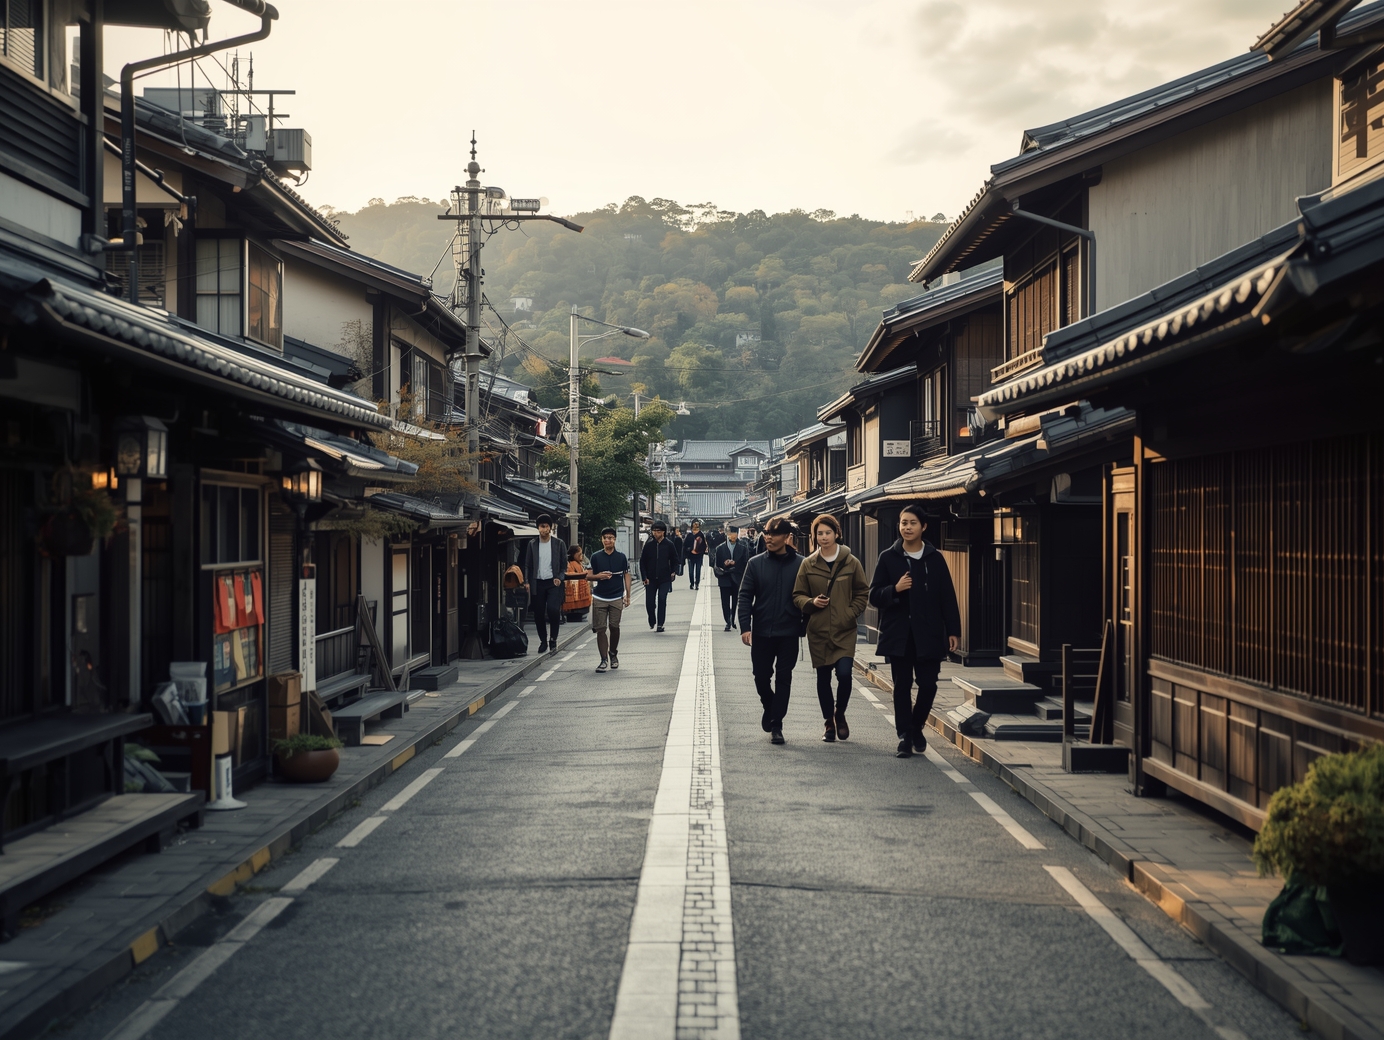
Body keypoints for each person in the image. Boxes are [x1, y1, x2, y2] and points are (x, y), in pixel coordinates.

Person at [867, 503, 961, 758]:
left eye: (912, 523)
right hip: (900, 634)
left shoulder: (935, 558)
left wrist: (953, 629)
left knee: (928, 685)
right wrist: (894, 590)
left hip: (929, 633)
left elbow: (947, 597)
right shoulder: (889, 557)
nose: (907, 527)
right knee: (901, 686)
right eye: (903, 523)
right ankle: (905, 737)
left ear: (923, 527)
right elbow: (874, 595)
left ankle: (916, 726)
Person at [793, 513, 869, 743]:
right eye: (819, 533)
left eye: (828, 533)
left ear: (837, 534)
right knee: (823, 678)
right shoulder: (808, 564)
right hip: (818, 631)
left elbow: (862, 593)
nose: (824, 537)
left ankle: (840, 713)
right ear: (814, 536)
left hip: (844, 629)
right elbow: (797, 595)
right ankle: (829, 723)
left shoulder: (851, 562)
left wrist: (850, 613)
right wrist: (811, 603)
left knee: (845, 675)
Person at [737, 515, 803, 746]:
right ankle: (769, 705)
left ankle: (777, 724)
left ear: (787, 538)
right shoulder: (755, 563)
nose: (768, 537)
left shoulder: (801, 565)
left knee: (784, 678)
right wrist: (746, 627)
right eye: (766, 533)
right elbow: (745, 596)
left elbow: (807, 597)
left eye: (774, 534)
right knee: (761, 677)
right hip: (762, 631)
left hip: (789, 632)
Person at [587, 527, 631, 672]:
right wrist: (599, 576)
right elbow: (588, 575)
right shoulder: (595, 556)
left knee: (614, 626)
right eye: (605, 537)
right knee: (600, 629)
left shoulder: (621, 557)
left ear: (615, 540)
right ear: (602, 540)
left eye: (611, 538)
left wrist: (628, 595)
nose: (608, 540)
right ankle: (603, 659)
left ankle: (613, 653)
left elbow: (626, 575)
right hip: (599, 597)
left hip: (617, 596)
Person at [522, 514, 568, 656]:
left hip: (553, 582)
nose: (544, 529)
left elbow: (564, 566)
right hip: (537, 582)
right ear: (538, 528)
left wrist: (559, 578)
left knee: (554, 610)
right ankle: (543, 641)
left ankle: (553, 639)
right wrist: (526, 581)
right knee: (538, 613)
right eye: (542, 526)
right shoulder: (532, 544)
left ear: (551, 528)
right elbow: (527, 564)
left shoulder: (558, 543)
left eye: (547, 526)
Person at [640, 521, 680, 631]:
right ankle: (652, 619)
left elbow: (675, 560)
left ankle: (660, 624)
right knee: (649, 603)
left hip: (665, 578)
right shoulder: (648, 545)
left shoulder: (669, 544)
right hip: (650, 578)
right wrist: (644, 577)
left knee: (662, 599)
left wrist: (673, 571)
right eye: (654, 531)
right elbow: (642, 562)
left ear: (663, 532)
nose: (655, 533)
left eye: (658, 531)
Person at [712, 525, 750, 632]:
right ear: (727, 535)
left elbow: (745, 563)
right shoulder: (720, 548)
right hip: (724, 577)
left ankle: (732, 619)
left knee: (735, 601)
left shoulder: (743, 548)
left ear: (737, 535)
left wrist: (735, 563)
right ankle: (727, 621)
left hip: (737, 577)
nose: (732, 536)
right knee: (724, 601)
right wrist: (725, 564)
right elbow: (716, 564)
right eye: (730, 534)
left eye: (734, 534)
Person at [564, 545, 592, 621]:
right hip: (575, 594)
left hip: (580, 594)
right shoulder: (570, 564)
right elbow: (569, 574)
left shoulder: (578, 563)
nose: (581, 555)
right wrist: (583, 574)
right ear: (574, 554)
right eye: (579, 554)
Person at [685, 520, 708, 589]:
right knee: (691, 571)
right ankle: (692, 583)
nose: (696, 526)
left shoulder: (701, 534)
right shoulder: (689, 535)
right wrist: (688, 550)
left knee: (698, 571)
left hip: (699, 556)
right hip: (690, 556)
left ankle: (697, 583)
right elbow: (685, 545)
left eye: (697, 525)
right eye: (694, 524)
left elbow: (704, 545)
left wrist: (702, 552)